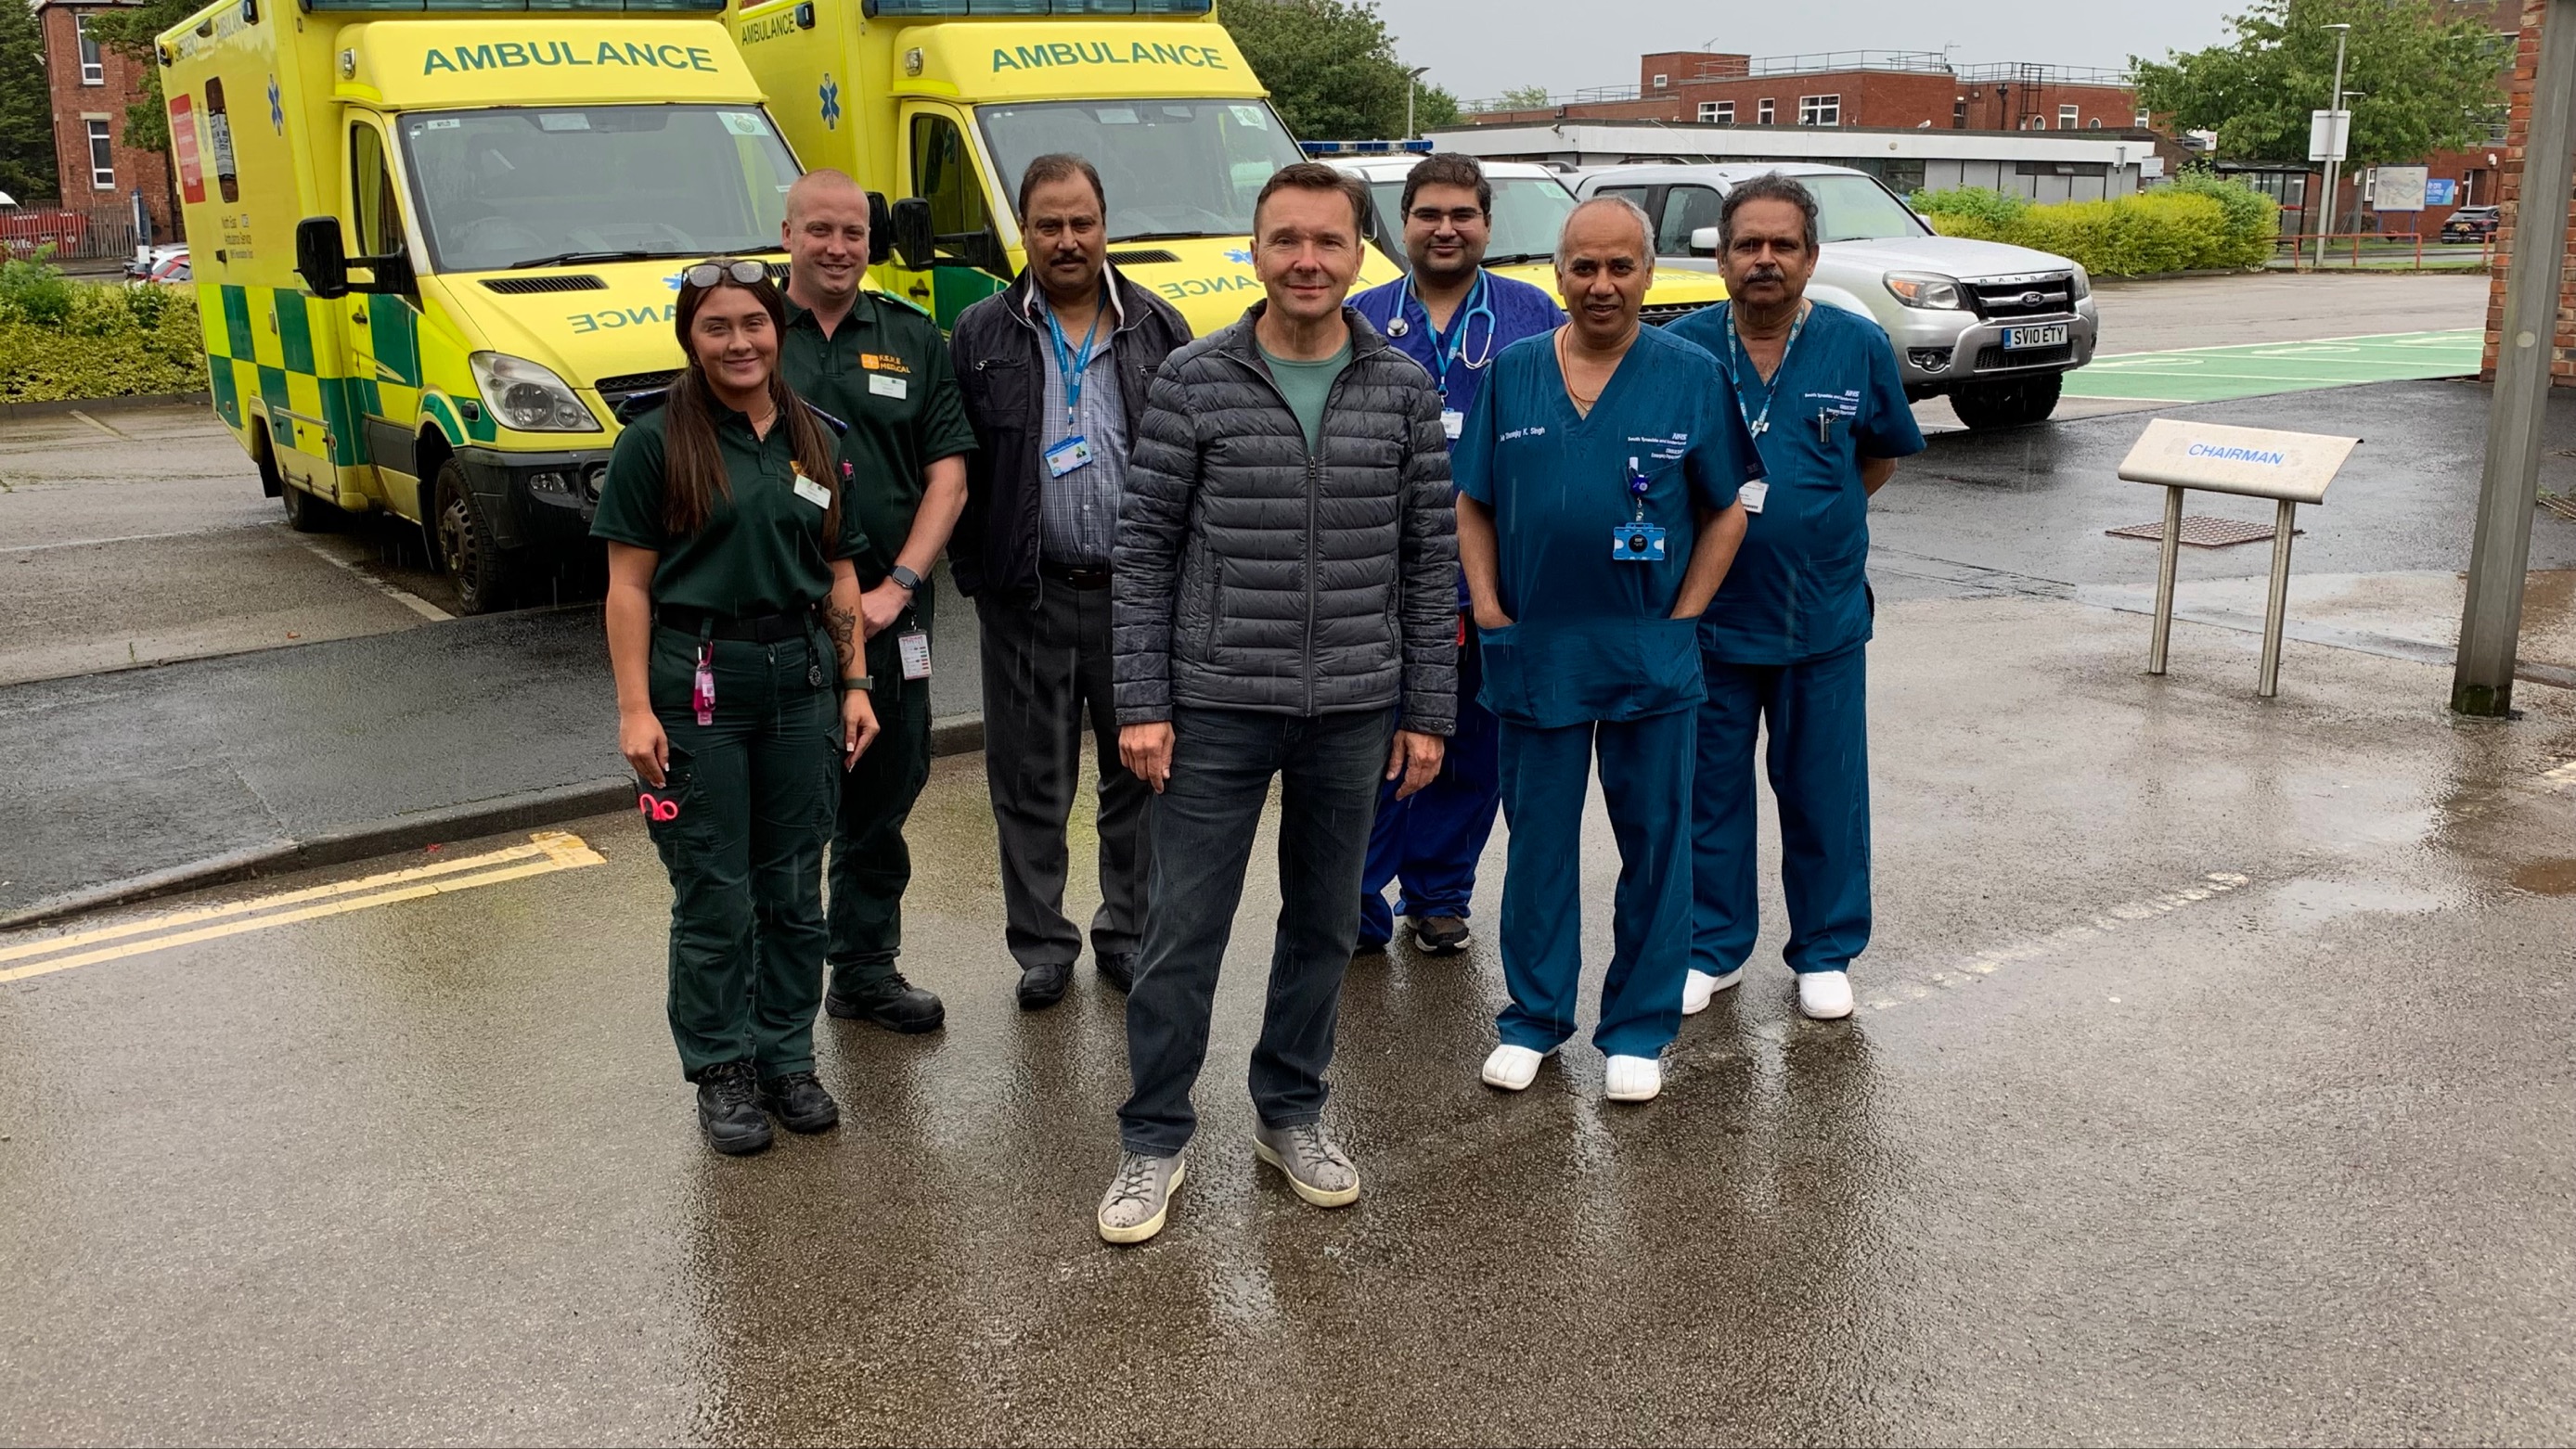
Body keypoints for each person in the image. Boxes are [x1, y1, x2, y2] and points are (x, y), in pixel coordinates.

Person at [1098, 162, 1456, 1244]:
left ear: (1360, 254)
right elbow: (1144, 551)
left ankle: (1290, 1111)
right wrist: (1143, 700)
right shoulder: (1196, 379)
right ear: (1254, 250)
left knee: (1322, 923)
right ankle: (1154, 1134)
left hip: (1353, 703)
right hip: (1212, 704)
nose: (1307, 260)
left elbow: (1429, 561)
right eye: (1285, 239)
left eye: (1329, 242)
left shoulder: (1401, 386)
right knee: (1181, 929)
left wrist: (1426, 708)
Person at [1454, 197, 1756, 1106]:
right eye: (1582, 266)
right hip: (1535, 648)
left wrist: (1683, 615)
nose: (1601, 284)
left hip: (1646, 652)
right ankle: (1534, 1017)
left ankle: (1637, 1026)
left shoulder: (1690, 373)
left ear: (1648, 271)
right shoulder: (1511, 373)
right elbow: (1471, 499)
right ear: (1558, 274)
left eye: (1619, 266)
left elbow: (1727, 506)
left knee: (1656, 843)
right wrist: (1489, 606)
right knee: (1537, 842)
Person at [592, 259, 882, 1156]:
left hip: (799, 680)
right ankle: (722, 1069)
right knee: (716, 890)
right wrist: (636, 709)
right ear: (691, 337)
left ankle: (785, 1055)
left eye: (752, 324)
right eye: (716, 326)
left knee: (795, 885)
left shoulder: (813, 437)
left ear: (777, 331)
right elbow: (628, 589)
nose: (738, 342)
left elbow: (839, 568)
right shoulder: (654, 442)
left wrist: (858, 682)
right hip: (698, 681)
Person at [1665, 173, 1926, 1022]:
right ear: (1722, 259)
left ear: (1812, 258)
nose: (1765, 260)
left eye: (1783, 245)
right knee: (1708, 791)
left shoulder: (1855, 344)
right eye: (1748, 245)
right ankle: (1711, 945)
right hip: (1711, 620)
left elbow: (1877, 458)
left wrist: (1815, 518)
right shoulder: (1683, 351)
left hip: (1819, 616)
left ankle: (1824, 950)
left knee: (1824, 791)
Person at [948, 155, 1192, 1010]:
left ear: (1105, 224)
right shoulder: (981, 333)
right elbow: (957, 463)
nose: (1066, 240)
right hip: (1029, 595)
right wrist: (980, 574)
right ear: (1024, 231)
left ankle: (1126, 932)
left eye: (1080, 222)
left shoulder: (1160, 328)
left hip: (1138, 597)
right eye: (1047, 224)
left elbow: (1196, 464)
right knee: (1029, 779)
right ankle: (1042, 946)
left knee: (1142, 775)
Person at [776, 169, 980, 1035]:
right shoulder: (748, 331)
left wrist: (899, 587)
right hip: (781, 613)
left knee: (886, 791)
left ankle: (863, 969)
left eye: (852, 233)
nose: (837, 248)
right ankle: (771, 990)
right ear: (786, 235)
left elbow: (949, 476)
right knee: (785, 804)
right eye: (819, 231)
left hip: (894, 616)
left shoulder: (910, 336)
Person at [1347, 153, 1565, 958]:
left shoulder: (1532, 315)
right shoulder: (1360, 317)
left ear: (1485, 225)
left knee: (1473, 749)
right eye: (1429, 214)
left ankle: (1439, 894)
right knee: (1369, 748)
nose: (1445, 229)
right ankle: (1357, 898)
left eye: (1462, 215)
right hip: (1376, 580)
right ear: (1401, 223)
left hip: (1490, 581)